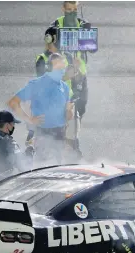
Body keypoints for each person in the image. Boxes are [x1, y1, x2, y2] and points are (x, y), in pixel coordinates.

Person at [7, 53, 74, 167]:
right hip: (42, 133)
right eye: (59, 67)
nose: (62, 69)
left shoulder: (65, 87)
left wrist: (69, 111)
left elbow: (68, 117)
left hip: (60, 135)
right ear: (49, 67)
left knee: (58, 168)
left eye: (63, 67)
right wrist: (29, 119)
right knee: (42, 167)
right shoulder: (37, 84)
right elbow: (13, 102)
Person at [31, 26, 82, 160]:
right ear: (51, 39)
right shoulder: (42, 59)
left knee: (71, 143)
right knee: (46, 146)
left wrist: (77, 70)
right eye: (61, 38)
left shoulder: (68, 56)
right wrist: (66, 76)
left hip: (68, 105)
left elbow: (77, 80)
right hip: (49, 109)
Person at [49, 1, 95, 120]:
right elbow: (49, 49)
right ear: (63, 9)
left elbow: (92, 49)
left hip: (80, 72)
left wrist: (88, 36)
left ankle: (76, 124)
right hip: (62, 73)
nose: (72, 12)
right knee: (61, 105)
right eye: (69, 9)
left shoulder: (83, 24)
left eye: (75, 9)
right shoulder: (55, 25)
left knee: (82, 104)